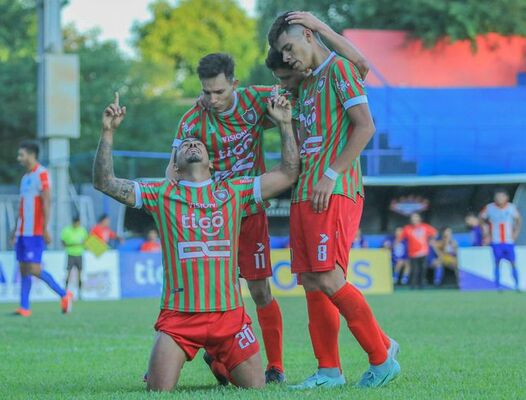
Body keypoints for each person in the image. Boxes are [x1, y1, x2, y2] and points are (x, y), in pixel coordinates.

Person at [93, 92, 298, 391]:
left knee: (255, 390)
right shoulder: (161, 194)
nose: (191, 143)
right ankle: (211, 355)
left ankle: (216, 358)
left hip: (230, 318)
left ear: (212, 163)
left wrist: (284, 125)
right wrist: (108, 132)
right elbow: (104, 182)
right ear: (174, 166)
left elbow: (288, 172)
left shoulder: (234, 191)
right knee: (158, 392)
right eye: (186, 144)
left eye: (198, 143)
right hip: (179, 319)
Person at [268, 12, 400, 389]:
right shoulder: (306, 85)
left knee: (328, 276)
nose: (288, 57)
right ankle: (329, 370)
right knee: (311, 280)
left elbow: (366, 125)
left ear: (309, 36)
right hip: (306, 191)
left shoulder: (339, 69)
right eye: (282, 53)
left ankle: (381, 356)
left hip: (333, 190)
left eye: (289, 48)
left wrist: (332, 173)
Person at [164, 53, 286, 384]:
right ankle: (210, 359)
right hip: (210, 219)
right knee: (207, 294)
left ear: (234, 83)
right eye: (206, 92)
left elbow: (298, 102)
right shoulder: (192, 119)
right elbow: (171, 172)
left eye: (219, 91)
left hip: (248, 212)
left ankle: (274, 367)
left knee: (260, 291)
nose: (212, 99)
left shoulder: (258, 100)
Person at [13, 140, 73, 317]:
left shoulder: (42, 174)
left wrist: (45, 228)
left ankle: (64, 294)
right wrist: (14, 230)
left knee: (34, 269)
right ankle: (24, 307)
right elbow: (22, 206)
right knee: (23, 269)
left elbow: (47, 201)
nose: (19, 158)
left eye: (21, 155)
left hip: (35, 231)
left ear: (32, 155)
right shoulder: (25, 178)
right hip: (22, 231)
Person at [480, 189, 522, 291]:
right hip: (496, 241)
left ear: (506, 198)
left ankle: (517, 285)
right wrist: (485, 230)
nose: (499, 199)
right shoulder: (490, 208)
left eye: (501, 196)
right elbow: (481, 218)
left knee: (513, 262)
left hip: (508, 241)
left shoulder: (511, 208)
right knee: (497, 263)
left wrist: (516, 232)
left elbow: (519, 220)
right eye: (497, 197)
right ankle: (498, 286)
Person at [401, 213, 438, 290]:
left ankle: (422, 285)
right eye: (413, 218)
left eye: (416, 218)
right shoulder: (407, 228)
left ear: (419, 219)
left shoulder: (425, 227)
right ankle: (413, 285)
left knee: (423, 269)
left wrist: (432, 240)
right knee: (414, 270)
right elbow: (402, 238)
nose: (414, 219)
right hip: (412, 253)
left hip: (423, 252)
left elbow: (435, 233)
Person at [61, 216, 89, 298]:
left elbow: (86, 242)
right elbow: (63, 243)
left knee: (80, 275)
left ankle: (80, 293)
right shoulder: (66, 230)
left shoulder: (82, 230)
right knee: (68, 274)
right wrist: (73, 245)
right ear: (74, 222)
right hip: (70, 254)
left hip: (79, 255)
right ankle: (64, 293)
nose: (78, 224)